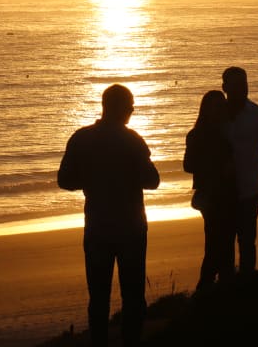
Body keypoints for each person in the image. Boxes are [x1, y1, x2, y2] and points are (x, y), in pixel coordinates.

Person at [57, 84, 160, 347]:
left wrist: (92, 179)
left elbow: (65, 180)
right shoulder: (133, 140)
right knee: (133, 295)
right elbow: (152, 180)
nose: (133, 111)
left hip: (98, 227)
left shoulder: (81, 138)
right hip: (131, 228)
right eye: (130, 107)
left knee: (99, 296)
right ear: (120, 109)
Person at [221, 66, 258, 273]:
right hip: (222, 191)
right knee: (223, 244)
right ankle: (226, 287)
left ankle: (246, 284)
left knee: (247, 242)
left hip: (249, 189)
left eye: (244, 84)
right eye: (236, 85)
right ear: (225, 88)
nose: (242, 89)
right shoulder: (217, 115)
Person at [183, 90, 238, 291]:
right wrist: (214, 166)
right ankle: (206, 288)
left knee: (224, 245)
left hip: (228, 194)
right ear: (206, 109)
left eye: (221, 106)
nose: (219, 110)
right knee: (216, 244)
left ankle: (218, 288)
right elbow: (188, 165)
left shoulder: (228, 132)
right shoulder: (196, 135)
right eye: (215, 106)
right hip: (210, 196)